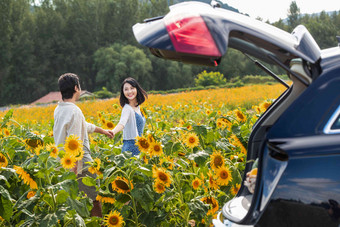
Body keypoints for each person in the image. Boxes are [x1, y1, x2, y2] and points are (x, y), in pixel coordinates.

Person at [53, 73, 113, 217]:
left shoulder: (59, 109)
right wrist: (73, 173)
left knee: (76, 203)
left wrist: (103, 131)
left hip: (63, 162)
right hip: (80, 164)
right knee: (95, 199)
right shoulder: (75, 110)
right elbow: (74, 144)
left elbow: (83, 126)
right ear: (76, 88)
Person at [111, 77, 147, 156]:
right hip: (130, 149)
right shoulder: (127, 109)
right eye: (126, 89)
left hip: (139, 146)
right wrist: (113, 132)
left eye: (132, 88)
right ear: (123, 92)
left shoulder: (137, 107)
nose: (129, 91)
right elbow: (122, 123)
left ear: (137, 89)